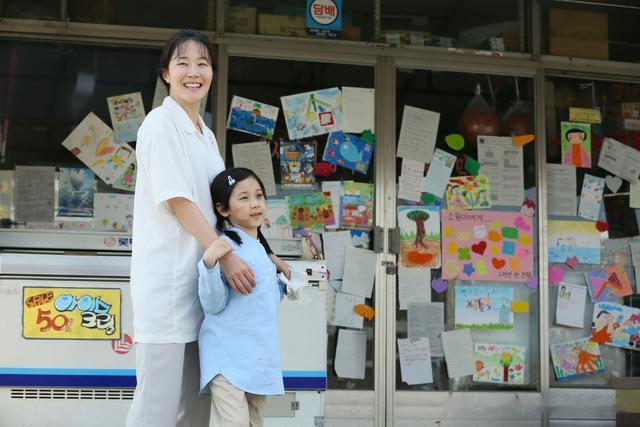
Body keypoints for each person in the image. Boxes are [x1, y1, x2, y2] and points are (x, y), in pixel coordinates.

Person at [127, 30, 288, 427]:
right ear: (166, 73)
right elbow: (179, 200)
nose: (193, 72)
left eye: (203, 64)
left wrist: (263, 250)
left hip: (204, 291)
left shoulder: (206, 134)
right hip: (167, 289)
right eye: (183, 64)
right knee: (158, 408)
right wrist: (228, 255)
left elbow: (225, 209)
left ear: (213, 72)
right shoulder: (160, 124)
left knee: (194, 411)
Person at [198, 167, 287, 427]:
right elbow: (212, 304)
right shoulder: (225, 247)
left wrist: (284, 281)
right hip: (228, 359)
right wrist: (210, 264)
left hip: (257, 357)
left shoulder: (260, 248)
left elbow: (263, 301)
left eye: (259, 196)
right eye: (244, 198)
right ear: (223, 209)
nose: (255, 204)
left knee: (253, 422)